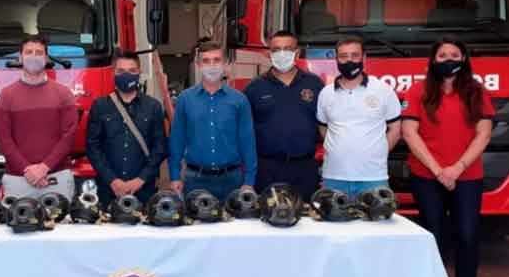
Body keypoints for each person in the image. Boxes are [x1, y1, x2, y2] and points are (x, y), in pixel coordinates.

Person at [402, 36, 494, 277]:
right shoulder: (418, 90)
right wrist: (438, 169)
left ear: (464, 59)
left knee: (467, 237)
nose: (448, 60)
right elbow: (410, 132)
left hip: (467, 176)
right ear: (432, 60)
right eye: (442, 55)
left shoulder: (476, 91)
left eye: (454, 54)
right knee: (434, 238)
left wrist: (457, 168)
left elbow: (484, 134)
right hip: (427, 176)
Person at [169, 42, 257, 201]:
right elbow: (177, 140)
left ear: (225, 64)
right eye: (206, 61)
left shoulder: (239, 100)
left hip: (232, 180)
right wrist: (175, 176)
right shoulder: (185, 99)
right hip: (195, 180)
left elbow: (247, 141)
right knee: (196, 225)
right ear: (198, 65)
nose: (211, 66)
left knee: (234, 225)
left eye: (216, 60)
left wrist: (249, 181)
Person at [316, 36, 401, 199]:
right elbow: (323, 129)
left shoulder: (383, 90)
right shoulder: (326, 93)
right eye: (343, 56)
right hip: (334, 178)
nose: (349, 61)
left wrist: (377, 152)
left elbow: (395, 129)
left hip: (373, 179)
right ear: (336, 59)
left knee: (375, 224)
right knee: (334, 224)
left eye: (355, 55)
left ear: (364, 57)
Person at [243, 30, 324, 201]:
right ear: (269, 53)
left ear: (297, 52)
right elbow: (244, 132)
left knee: (306, 221)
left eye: (287, 49)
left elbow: (325, 125)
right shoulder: (254, 88)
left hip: (305, 168)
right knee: (268, 219)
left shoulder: (315, 84)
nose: (282, 54)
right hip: (267, 169)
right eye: (276, 50)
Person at [0, 35, 77, 200]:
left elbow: (69, 137)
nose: (34, 56)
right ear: (21, 57)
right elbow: (3, 138)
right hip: (18, 180)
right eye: (29, 52)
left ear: (46, 58)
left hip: (57, 178)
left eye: (39, 53)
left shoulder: (64, 94)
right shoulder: (6, 96)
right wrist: (27, 169)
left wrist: (44, 168)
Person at [86, 51, 167, 206]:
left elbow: (160, 147)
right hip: (108, 190)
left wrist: (140, 180)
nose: (126, 75)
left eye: (132, 71)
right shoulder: (100, 106)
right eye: (121, 71)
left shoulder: (153, 106)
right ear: (113, 73)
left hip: (143, 191)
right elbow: (92, 147)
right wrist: (112, 180)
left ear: (139, 73)